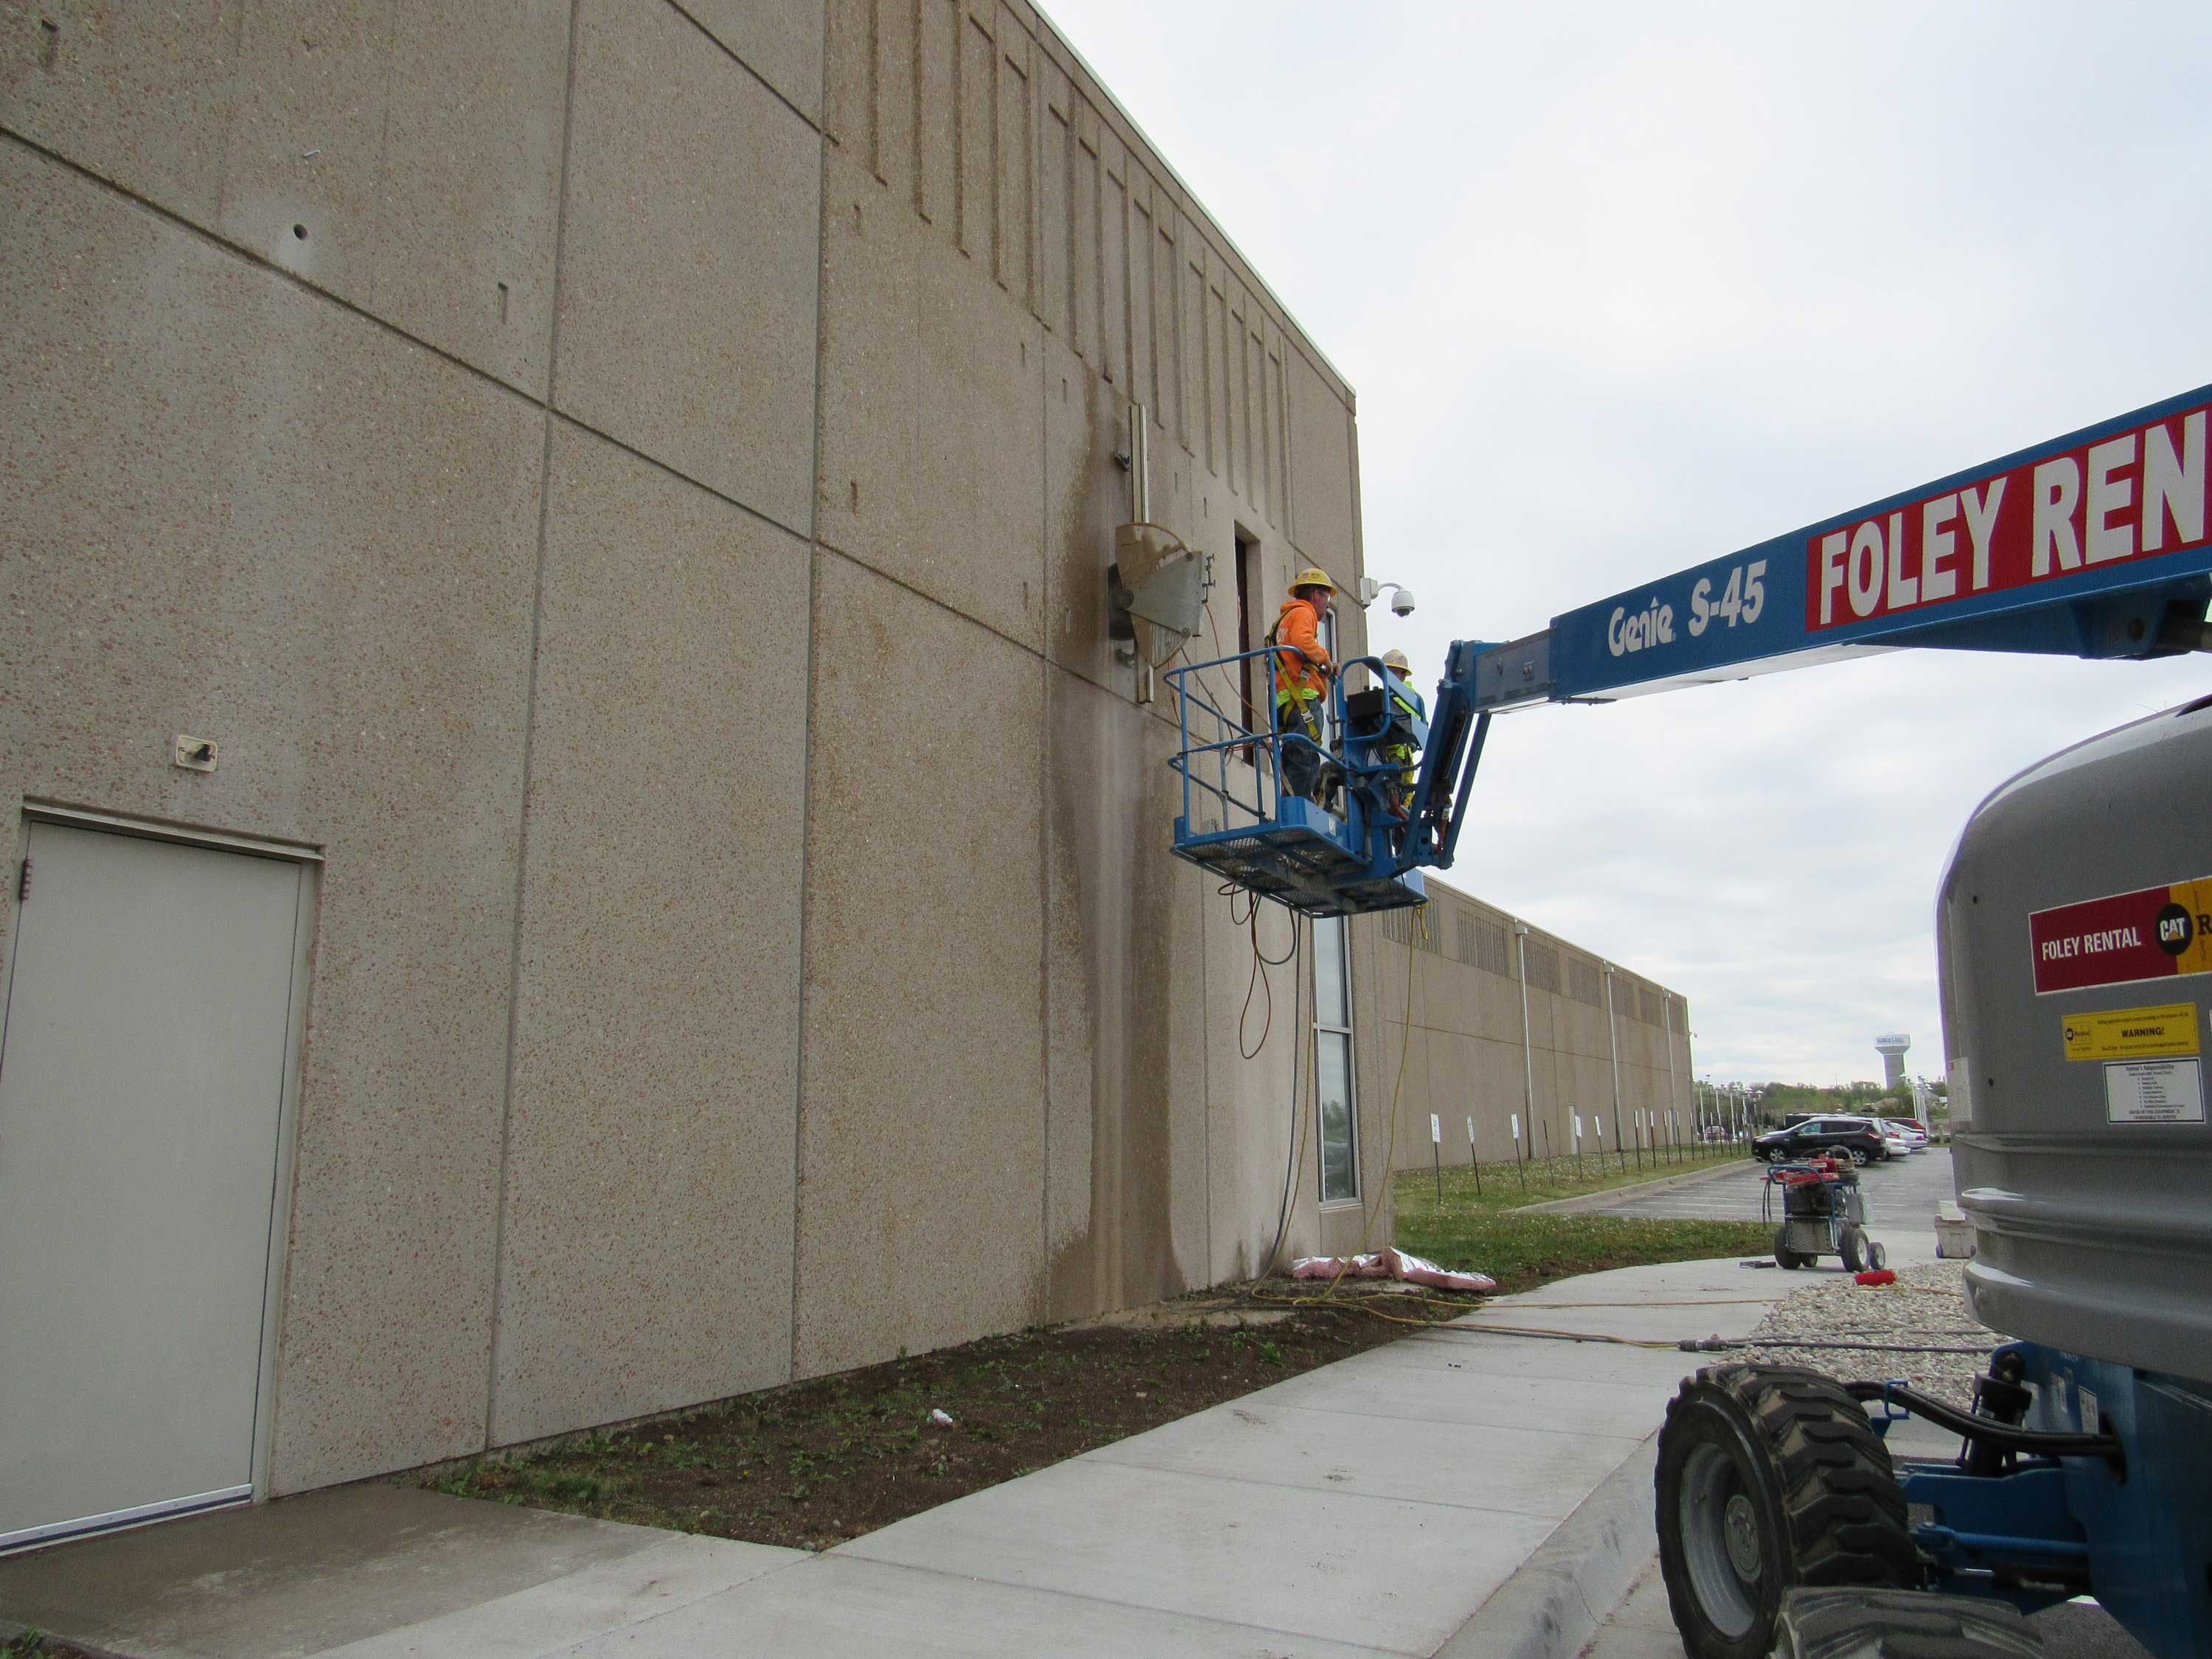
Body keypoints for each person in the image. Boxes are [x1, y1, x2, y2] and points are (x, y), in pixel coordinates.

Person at [1266, 567, 1337, 801]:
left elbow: (1293, 655)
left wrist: (1322, 667)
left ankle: (1291, 806)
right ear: (1316, 595)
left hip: (1283, 699)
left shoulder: (1283, 620)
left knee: (1294, 758)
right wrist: (1325, 659)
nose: (1326, 605)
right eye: (1326, 598)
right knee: (1305, 756)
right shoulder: (1305, 612)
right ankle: (1300, 808)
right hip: (1302, 698)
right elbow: (1302, 641)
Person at [1380, 647, 1425, 816]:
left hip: (1399, 756)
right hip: (1385, 755)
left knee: (1398, 800)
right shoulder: (1385, 695)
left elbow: (1410, 724)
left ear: (1403, 675)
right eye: (1387, 671)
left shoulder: (1411, 698)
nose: (1389, 676)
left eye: (1394, 671)